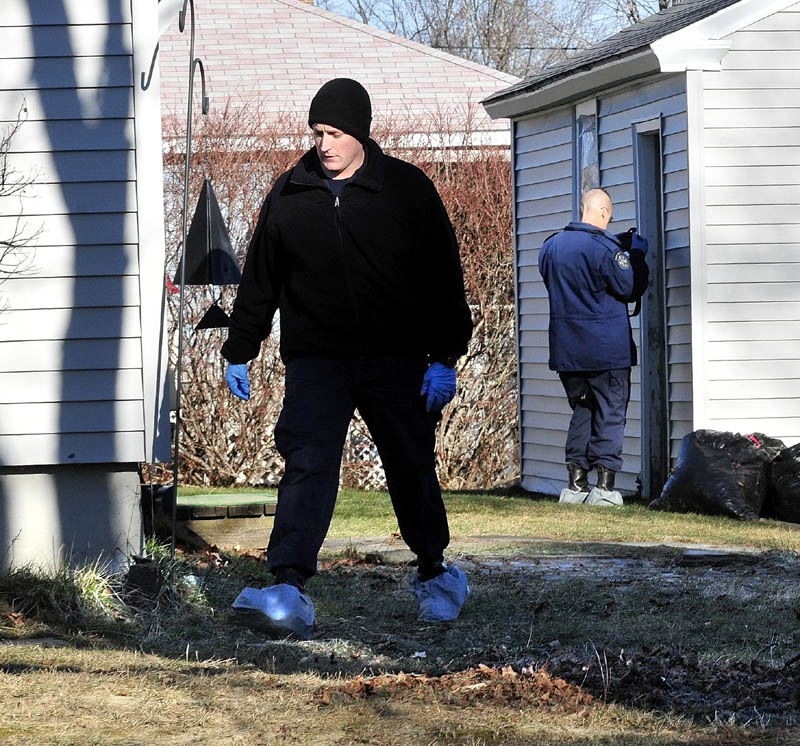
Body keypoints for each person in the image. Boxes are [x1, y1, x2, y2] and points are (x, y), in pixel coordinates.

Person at [220, 78, 474, 639]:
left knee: (410, 464)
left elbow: (441, 278)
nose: (323, 143)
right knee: (307, 466)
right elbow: (261, 280)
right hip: (318, 362)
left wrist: (444, 356)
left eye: (334, 132)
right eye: (316, 132)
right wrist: (240, 349)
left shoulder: (406, 190)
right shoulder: (289, 193)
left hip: (396, 359)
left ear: (360, 133)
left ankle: (435, 572)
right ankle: (286, 586)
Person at [538, 187, 649, 507]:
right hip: (606, 349)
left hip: (567, 349)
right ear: (603, 213)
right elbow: (629, 287)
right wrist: (636, 256)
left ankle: (575, 486)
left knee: (583, 412)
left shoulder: (551, 247)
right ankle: (604, 488)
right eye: (608, 215)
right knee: (610, 414)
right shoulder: (605, 249)